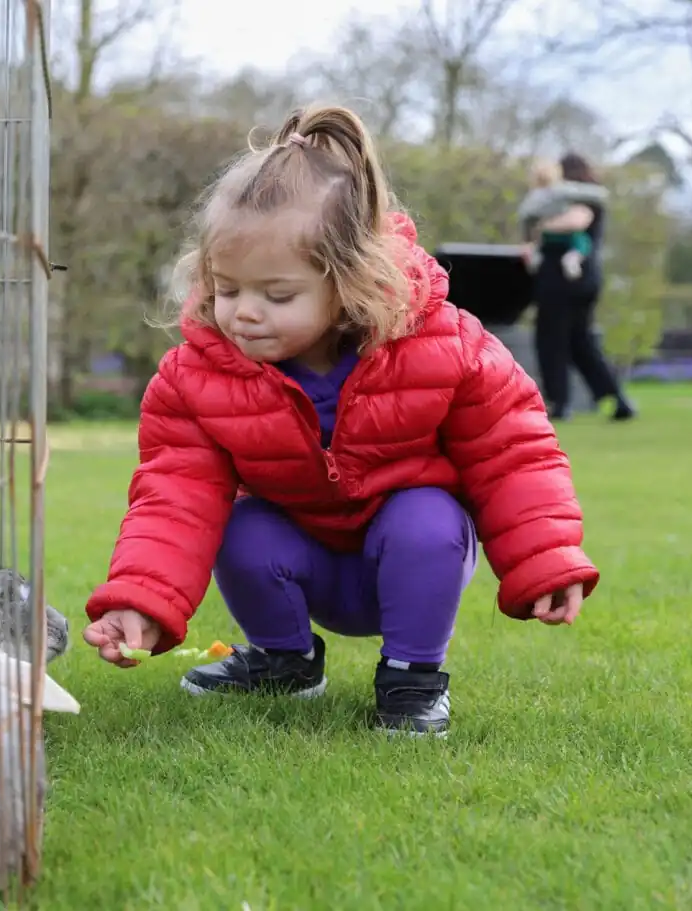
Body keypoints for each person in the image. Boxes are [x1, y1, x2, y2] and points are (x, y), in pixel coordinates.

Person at [81, 105, 601, 737]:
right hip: (304, 559)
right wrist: (142, 600)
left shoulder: (449, 349)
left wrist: (545, 561)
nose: (244, 313)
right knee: (242, 528)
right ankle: (286, 661)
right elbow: (175, 495)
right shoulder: (196, 376)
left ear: (350, 280)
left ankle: (412, 679)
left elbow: (513, 453)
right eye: (227, 289)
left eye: (277, 296)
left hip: (412, 559)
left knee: (427, 515)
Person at [528, 152, 637, 422]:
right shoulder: (591, 197)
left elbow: (576, 221)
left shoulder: (578, 200)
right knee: (581, 342)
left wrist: (541, 226)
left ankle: (560, 403)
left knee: (551, 341)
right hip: (586, 280)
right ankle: (616, 398)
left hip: (562, 279)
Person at [518, 158, 608, 281]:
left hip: (545, 237)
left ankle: (535, 258)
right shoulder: (560, 191)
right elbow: (594, 194)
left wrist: (527, 239)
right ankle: (573, 256)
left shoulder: (532, 197)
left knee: (537, 244)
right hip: (567, 236)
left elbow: (525, 217)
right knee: (582, 241)